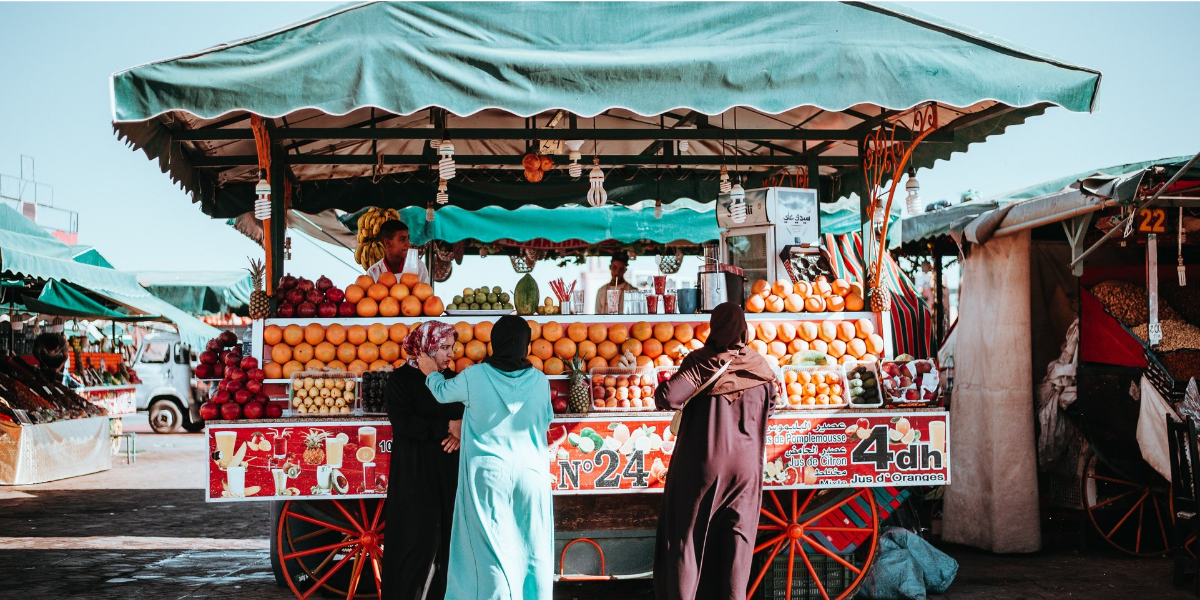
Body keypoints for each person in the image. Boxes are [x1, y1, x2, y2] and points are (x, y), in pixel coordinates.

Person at [418, 315, 554, 600]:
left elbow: (442, 393)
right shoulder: (540, 380)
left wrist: (431, 372)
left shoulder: (475, 376)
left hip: (488, 475)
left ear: (494, 343)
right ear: (526, 346)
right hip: (532, 475)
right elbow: (546, 419)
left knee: (490, 549)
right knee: (532, 544)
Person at [652, 302, 778, 600]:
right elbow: (771, 406)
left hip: (704, 465)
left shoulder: (703, 361)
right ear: (745, 329)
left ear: (714, 327)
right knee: (737, 539)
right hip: (746, 469)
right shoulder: (761, 366)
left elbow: (669, 398)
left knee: (688, 537)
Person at [381, 321, 464, 600]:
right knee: (414, 542)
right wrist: (447, 427)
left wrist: (460, 430)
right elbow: (405, 423)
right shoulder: (400, 380)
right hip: (414, 473)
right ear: (425, 348)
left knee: (448, 543)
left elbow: (465, 414)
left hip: (449, 471)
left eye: (451, 347)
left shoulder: (453, 380)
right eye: (443, 347)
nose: (450, 353)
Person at [367, 219, 431, 284]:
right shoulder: (373, 273)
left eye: (408, 238)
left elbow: (426, 289)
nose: (408, 244)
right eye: (402, 239)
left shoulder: (418, 267)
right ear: (387, 243)